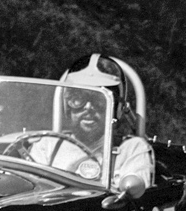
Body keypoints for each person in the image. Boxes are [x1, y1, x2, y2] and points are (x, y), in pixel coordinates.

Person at [31, 54, 154, 190]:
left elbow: (133, 197)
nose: (88, 108)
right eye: (78, 99)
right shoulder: (47, 146)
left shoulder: (131, 149)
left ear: (116, 107)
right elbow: (27, 190)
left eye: (99, 100)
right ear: (67, 106)